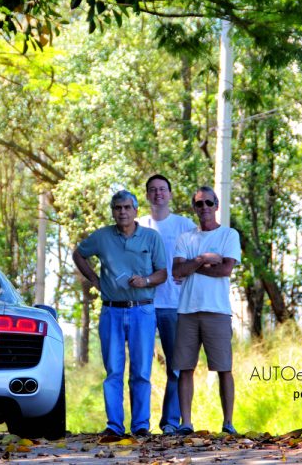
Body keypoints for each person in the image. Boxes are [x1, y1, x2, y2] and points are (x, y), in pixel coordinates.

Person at [72, 189, 168, 437]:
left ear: (136, 210)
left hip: (142, 311)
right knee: (113, 370)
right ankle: (114, 425)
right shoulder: (102, 236)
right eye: (118, 208)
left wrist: (146, 281)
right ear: (113, 212)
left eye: (127, 207)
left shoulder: (151, 237)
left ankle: (141, 426)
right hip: (111, 311)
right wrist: (94, 279)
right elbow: (78, 254)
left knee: (141, 372)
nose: (122, 212)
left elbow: (163, 273)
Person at [171, 186, 241, 436]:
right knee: (185, 367)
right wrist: (203, 259)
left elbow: (225, 270)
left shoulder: (229, 235)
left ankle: (228, 423)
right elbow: (177, 271)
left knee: (224, 368)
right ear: (194, 208)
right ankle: (186, 423)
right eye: (199, 204)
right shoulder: (185, 238)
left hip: (217, 310)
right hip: (187, 311)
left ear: (216, 205)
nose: (204, 208)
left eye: (209, 203)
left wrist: (192, 265)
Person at [139, 174, 196, 435]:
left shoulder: (185, 225)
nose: (158, 193)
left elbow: (197, 260)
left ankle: (171, 421)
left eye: (162, 189)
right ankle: (139, 424)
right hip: (142, 304)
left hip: (174, 304)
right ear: (147, 195)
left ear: (170, 194)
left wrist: (188, 274)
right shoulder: (139, 225)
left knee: (176, 366)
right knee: (141, 368)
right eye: (153, 190)